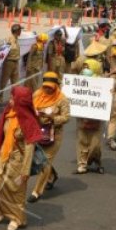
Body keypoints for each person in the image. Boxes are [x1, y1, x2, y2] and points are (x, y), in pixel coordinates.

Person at [0, 86, 42, 230]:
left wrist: (25, 171)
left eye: (13, 98)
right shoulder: (8, 113)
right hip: (3, 156)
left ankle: (17, 218)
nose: (10, 100)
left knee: (16, 191)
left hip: (17, 161)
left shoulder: (29, 121)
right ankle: (1, 211)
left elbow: (29, 148)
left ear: (20, 101)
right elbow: (0, 134)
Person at [28, 72, 69, 203]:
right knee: (37, 158)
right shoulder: (36, 95)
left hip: (53, 135)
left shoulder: (62, 99)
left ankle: (37, 192)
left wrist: (53, 118)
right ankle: (52, 175)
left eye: (50, 87)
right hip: (37, 132)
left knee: (44, 162)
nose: (47, 89)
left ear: (56, 86)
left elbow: (66, 117)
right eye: (45, 86)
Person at [75, 42, 107, 174]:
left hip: (96, 115)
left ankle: (95, 159)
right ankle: (82, 164)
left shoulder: (101, 81)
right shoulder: (80, 77)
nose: (85, 69)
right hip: (82, 115)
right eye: (84, 67)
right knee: (82, 140)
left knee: (95, 143)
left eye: (88, 67)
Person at [0, 24, 22, 105]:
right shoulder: (8, 39)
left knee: (16, 83)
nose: (21, 32)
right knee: (3, 81)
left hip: (15, 62)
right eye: (20, 30)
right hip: (8, 62)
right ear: (17, 31)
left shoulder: (17, 39)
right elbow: (3, 51)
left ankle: (14, 98)